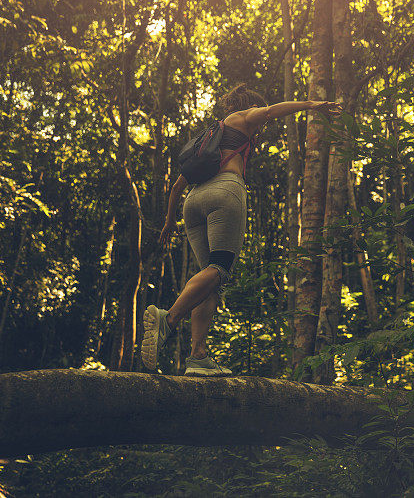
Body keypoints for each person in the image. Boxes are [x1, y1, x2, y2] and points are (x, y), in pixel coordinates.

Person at [141, 83, 342, 376]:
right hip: (225, 192)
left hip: (193, 201)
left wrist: (170, 222)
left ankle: (198, 357)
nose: (260, 128)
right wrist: (312, 105)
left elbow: (176, 187)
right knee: (220, 270)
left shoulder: (211, 135)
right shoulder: (245, 117)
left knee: (209, 279)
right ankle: (168, 320)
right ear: (251, 107)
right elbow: (274, 110)